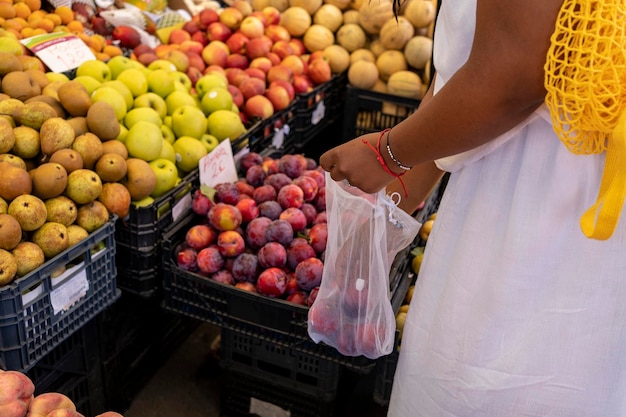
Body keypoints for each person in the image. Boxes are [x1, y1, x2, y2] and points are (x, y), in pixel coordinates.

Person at [320, 0, 626, 415]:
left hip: (541, 225)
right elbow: (468, 72)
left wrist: (388, 154)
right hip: (539, 202)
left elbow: (512, 80)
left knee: (499, 387)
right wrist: (393, 206)